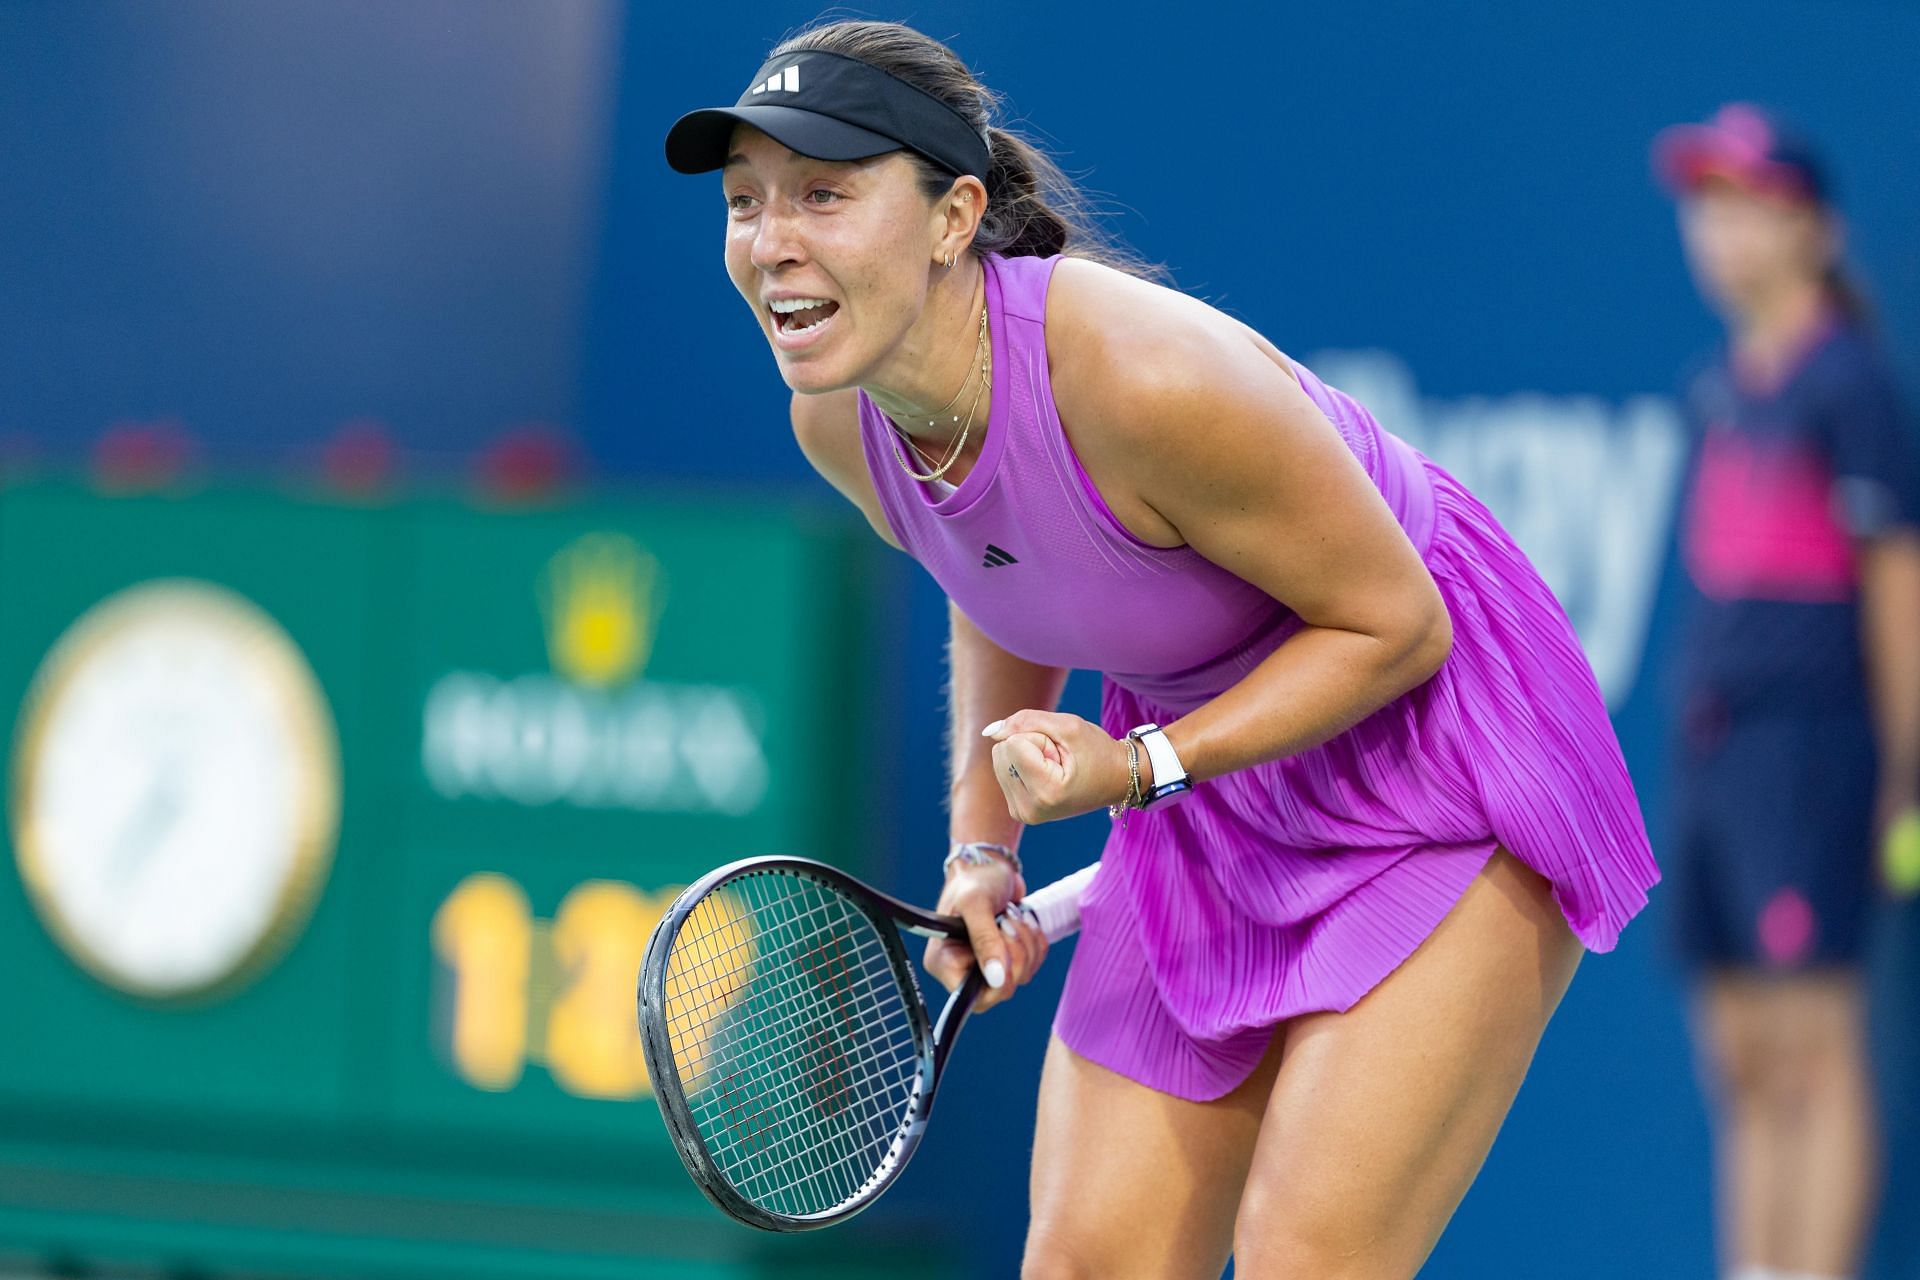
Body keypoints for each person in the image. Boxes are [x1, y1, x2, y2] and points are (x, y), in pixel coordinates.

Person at [666, 21, 1658, 1277]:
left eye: (824, 194)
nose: (772, 244)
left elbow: (1399, 626)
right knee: (1090, 1260)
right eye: (745, 203)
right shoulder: (842, 419)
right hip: (1207, 776)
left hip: (1433, 748)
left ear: (952, 215)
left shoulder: (1144, 378)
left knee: (1309, 1253)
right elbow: (997, 573)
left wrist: (1136, 770)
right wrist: (986, 845)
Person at [1653, 103, 1920, 1280]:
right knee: (1742, 1055)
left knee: (1815, 1051)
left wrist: (1907, 779)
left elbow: (1899, 593)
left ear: (1813, 230)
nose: (1716, 229)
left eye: (1746, 203)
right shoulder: (1720, 387)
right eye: (1704, 203)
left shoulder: (1850, 386)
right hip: (1716, 753)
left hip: (1815, 754)